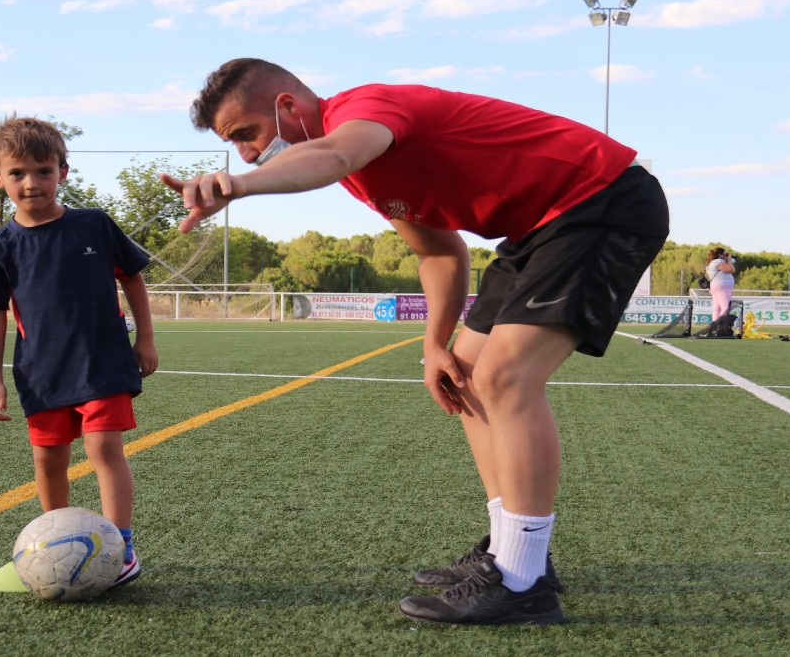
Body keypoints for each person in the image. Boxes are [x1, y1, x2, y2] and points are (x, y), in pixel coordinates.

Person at [162, 58, 669, 626]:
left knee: (507, 379)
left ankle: (523, 584)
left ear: (286, 107)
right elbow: (439, 252)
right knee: (469, 380)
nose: (248, 155)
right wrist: (436, 344)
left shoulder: (365, 110)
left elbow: (329, 155)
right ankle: (514, 555)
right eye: (236, 150)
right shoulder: (363, 176)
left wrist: (240, 186)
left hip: (600, 202)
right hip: (538, 230)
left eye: (245, 136)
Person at [0, 116, 159, 589]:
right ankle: (56, 546)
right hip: (41, 372)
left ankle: (122, 549)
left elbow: (132, 276)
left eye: (43, 170)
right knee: (47, 461)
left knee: (103, 447)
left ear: (63, 172)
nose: (31, 183)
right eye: (17, 173)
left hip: (104, 362)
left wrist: (146, 338)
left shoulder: (93, 224)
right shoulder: (0, 247)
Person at [704, 247, 737, 322]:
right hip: (722, 287)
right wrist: (729, 260)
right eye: (724, 254)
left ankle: (715, 326)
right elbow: (732, 269)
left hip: (716, 287)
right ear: (720, 255)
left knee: (717, 309)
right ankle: (722, 326)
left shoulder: (713, 263)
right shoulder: (718, 262)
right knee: (726, 308)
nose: (725, 256)